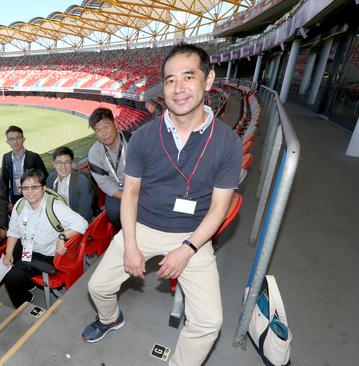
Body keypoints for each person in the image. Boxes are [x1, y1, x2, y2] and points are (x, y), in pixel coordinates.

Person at [82, 43, 242, 366]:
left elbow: (219, 208)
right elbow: (129, 193)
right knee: (98, 286)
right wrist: (130, 244)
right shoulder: (143, 137)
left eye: (188, 77)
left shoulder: (227, 141)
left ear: (208, 80)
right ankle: (111, 318)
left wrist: (187, 250)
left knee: (210, 322)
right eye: (170, 80)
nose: (178, 88)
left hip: (193, 234)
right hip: (144, 226)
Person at [2, 169, 88, 308]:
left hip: (45, 254)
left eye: (34, 187)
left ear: (44, 188)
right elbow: (13, 231)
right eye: (25, 187)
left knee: (10, 279)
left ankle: (23, 305)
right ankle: (28, 285)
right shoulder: (20, 204)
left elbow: (82, 223)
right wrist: (9, 253)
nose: (30, 191)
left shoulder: (55, 206)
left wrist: (62, 236)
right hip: (27, 246)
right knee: (7, 259)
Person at [87, 108, 131, 228]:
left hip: (139, 186)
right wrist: (125, 197)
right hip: (117, 191)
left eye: (106, 126)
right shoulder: (94, 153)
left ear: (115, 123)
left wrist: (135, 194)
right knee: (114, 213)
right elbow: (104, 182)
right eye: (98, 130)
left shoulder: (133, 140)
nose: (104, 133)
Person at [1, 125, 48, 205]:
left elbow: (45, 178)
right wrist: (7, 202)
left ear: (23, 139)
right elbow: (4, 182)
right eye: (11, 139)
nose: (15, 142)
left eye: (18, 138)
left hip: (32, 196)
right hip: (15, 198)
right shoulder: (6, 157)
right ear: (7, 142)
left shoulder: (34, 157)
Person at [46, 146, 93, 222]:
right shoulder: (51, 178)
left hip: (77, 223)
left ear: (72, 163)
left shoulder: (81, 181)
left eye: (67, 162)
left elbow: (83, 216)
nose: (63, 166)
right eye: (59, 162)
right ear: (53, 164)